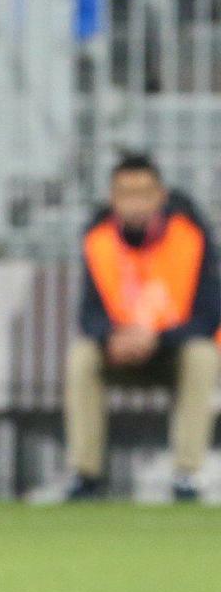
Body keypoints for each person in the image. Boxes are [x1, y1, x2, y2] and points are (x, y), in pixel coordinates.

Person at [65, 156, 220, 504]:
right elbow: (88, 314)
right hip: (119, 353)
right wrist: (110, 336)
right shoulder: (99, 240)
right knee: (81, 357)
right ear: (112, 198)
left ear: (160, 196)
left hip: (172, 352)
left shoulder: (191, 237)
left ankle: (186, 475)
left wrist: (157, 338)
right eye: (125, 193)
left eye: (143, 192)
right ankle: (85, 475)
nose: (135, 202)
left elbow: (209, 315)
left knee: (204, 355)